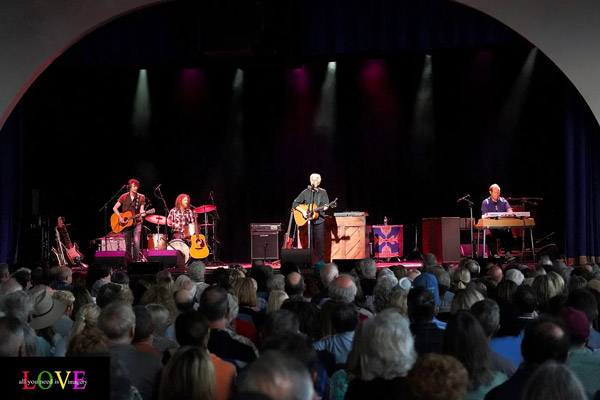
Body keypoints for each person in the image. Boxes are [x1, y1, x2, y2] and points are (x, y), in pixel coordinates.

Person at [293, 173, 330, 264]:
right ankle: (310, 261)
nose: (314, 182)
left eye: (316, 180)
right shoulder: (305, 192)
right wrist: (303, 211)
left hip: (319, 220)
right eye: (312, 180)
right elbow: (295, 204)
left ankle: (320, 262)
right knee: (310, 241)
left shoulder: (323, 192)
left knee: (320, 241)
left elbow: (326, 205)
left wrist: (326, 207)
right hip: (308, 221)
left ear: (319, 182)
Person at [113, 178, 146, 263]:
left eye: (137, 186)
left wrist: (142, 213)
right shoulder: (123, 196)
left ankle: (135, 261)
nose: (136, 188)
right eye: (134, 186)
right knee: (127, 244)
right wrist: (120, 217)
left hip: (137, 222)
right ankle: (128, 261)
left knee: (136, 241)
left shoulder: (141, 197)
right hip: (126, 223)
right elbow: (115, 208)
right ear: (130, 187)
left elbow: (142, 209)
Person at [481, 183, 514, 258]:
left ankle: (508, 252)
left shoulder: (503, 201)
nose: (497, 194)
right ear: (490, 192)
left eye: (498, 192)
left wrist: (509, 213)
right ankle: (494, 254)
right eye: (495, 192)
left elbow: (510, 211)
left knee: (509, 231)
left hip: (502, 226)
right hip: (492, 227)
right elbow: (484, 216)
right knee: (489, 233)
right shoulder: (486, 202)